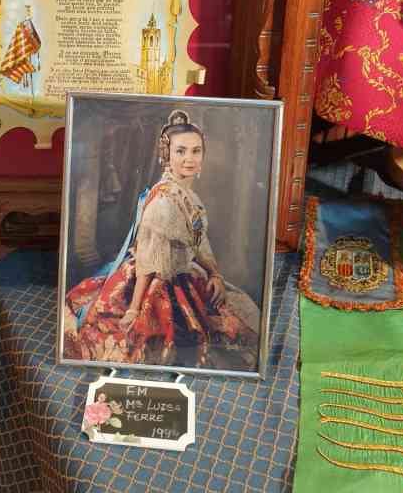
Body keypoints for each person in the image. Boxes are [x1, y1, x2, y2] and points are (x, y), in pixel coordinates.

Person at [63, 110, 260, 371]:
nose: (189, 159)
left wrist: (214, 274)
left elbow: (198, 241)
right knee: (154, 344)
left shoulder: (188, 196)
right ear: (167, 156)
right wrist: (134, 309)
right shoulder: (163, 202)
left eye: (196, 151)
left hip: (184, 272)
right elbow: (147, 260)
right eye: (181, 151)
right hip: (152, 280)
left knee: (238, 317)